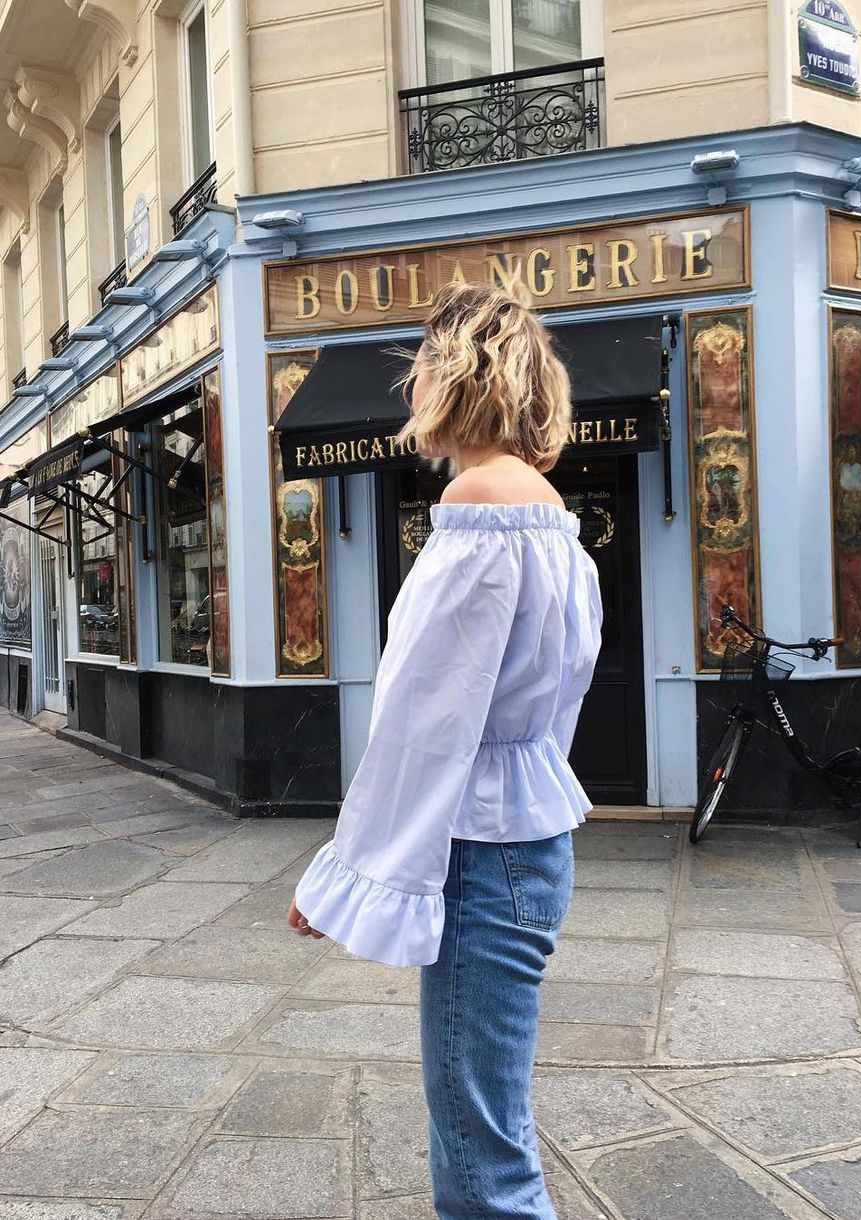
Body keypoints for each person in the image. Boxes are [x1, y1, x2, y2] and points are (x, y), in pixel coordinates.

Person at [287, 279, 603, 1219]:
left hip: (481, 852)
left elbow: (423, 725)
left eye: (420, 365)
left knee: (480, 1160)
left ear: (456, 375)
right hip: (532, 842)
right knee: (489, 1128)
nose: (410, 386)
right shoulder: (556, 523)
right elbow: (556, 706)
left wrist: (348, 871)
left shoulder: (477, 509)